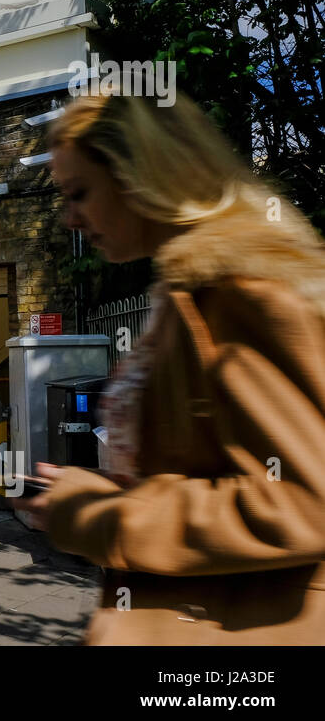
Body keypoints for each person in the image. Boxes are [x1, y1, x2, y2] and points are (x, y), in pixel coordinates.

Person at [18, 83, 325, 644]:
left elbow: (305, 500)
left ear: (141, 174)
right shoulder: (185, 292)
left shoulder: (236, 291)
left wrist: (101, 516)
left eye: (80, 192)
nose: (69, 219)